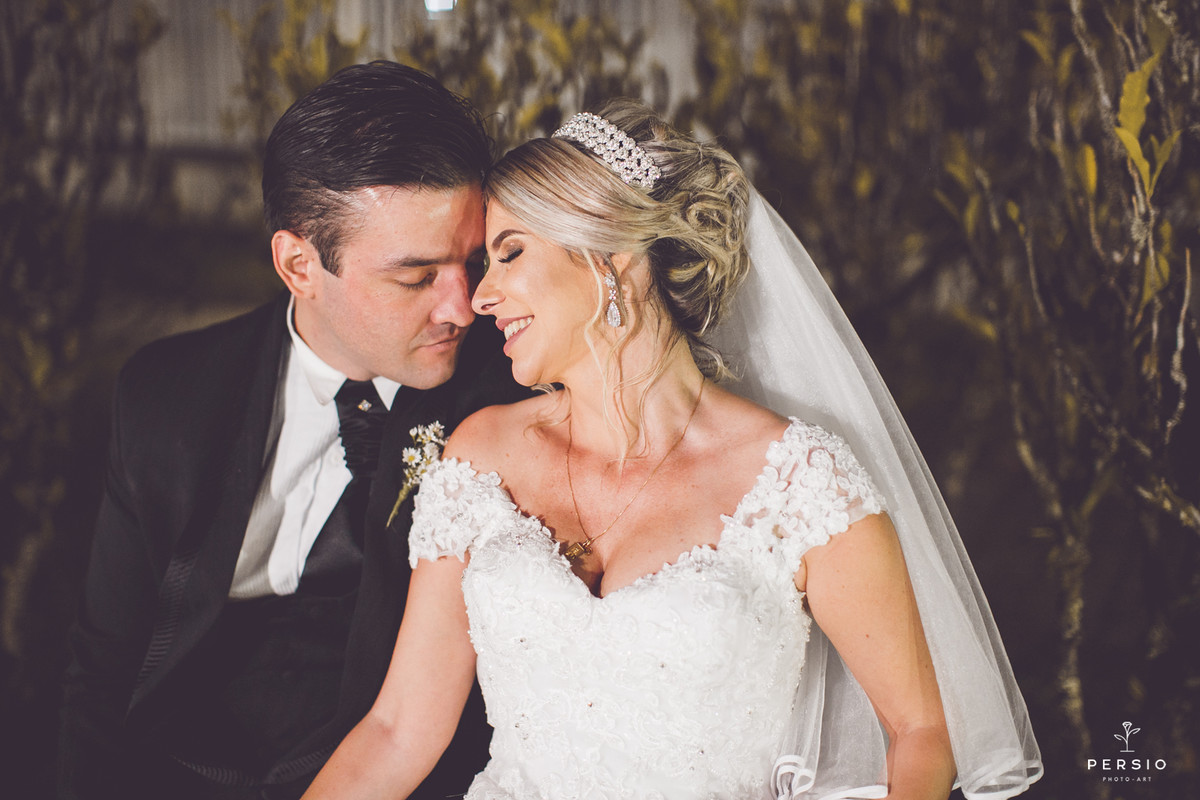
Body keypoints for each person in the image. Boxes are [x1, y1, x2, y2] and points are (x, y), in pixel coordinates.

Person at [304, 102, 1043, 799]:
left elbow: (922, 730)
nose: (479, 296)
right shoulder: (479, 457)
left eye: (509, 254)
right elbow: (397, 731)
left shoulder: (798, 484)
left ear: (613, 257)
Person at [58, 61, 527, 799]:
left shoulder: (511, 396)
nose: (463, 307)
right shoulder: (166, 396)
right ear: (299, 265)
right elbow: (102, 666)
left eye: (472, 262)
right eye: (415, 277)